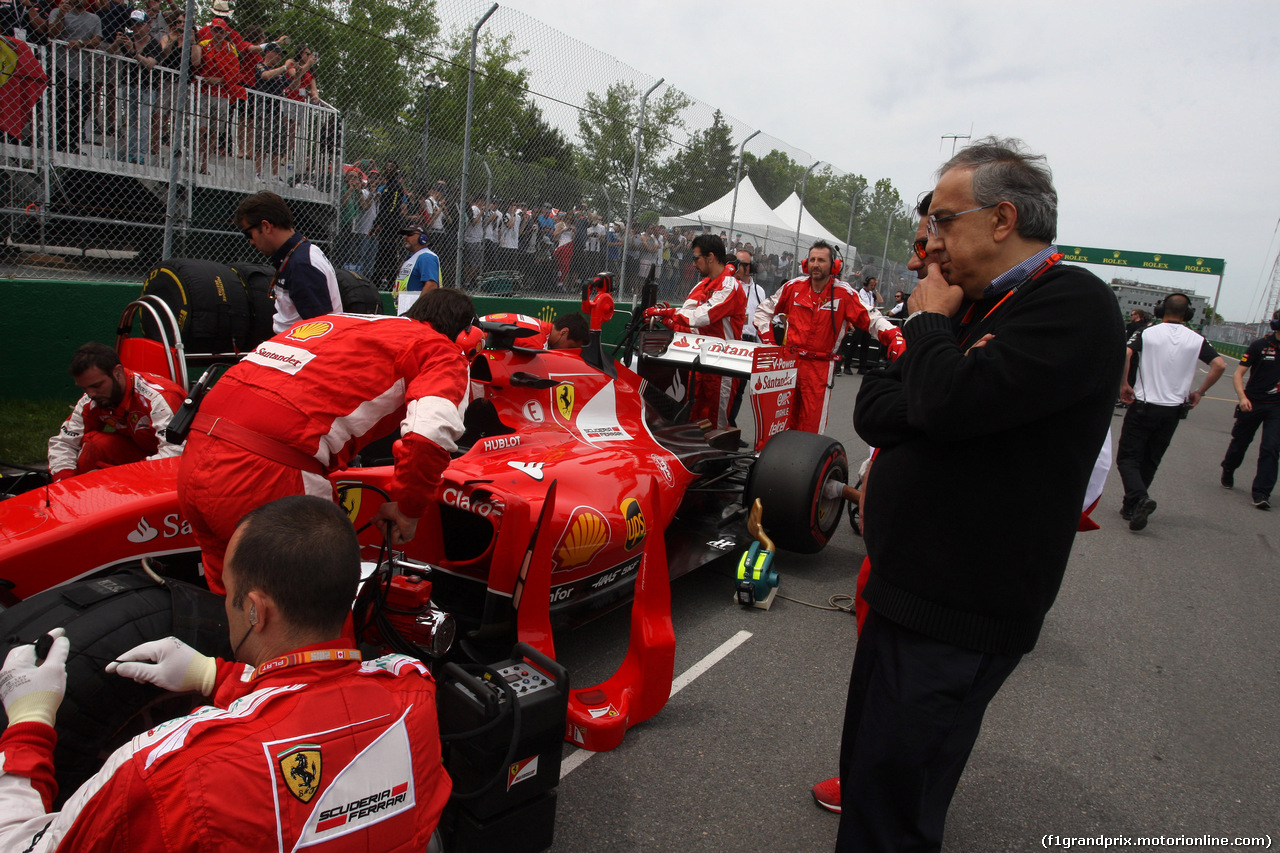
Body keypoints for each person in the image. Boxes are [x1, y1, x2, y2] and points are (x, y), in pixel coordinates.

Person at [832, 138, 1125, 852]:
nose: (930, 242)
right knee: (869, 775)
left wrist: (931, 333)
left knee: (895, 807)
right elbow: (876, 406)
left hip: (961, 614)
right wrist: (941, 364)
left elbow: (946, 407)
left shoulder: (1072, 302)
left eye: (941, 220)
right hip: (904, 590)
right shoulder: (975, 305)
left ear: (1001, 220)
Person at [0, 495, 451, 850]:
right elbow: (318, 709)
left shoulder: (163, 771)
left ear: (254, 610)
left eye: (229, 592)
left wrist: (29, 724)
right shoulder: (415, 692)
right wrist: (213, 677)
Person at [176, 288, 473, 595]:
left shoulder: (340, 320)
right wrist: (409, 510)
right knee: (317, 615)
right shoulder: (439, 350)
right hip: (270, 474)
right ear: (462, 332)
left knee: (230, 610)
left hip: (196, 454)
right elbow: (428, 436)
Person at [753, 242, 903, 435]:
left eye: (821, 260)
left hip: (820, 369)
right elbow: (762, 313)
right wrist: (771, 345)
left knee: (810, 429)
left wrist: (893, 336)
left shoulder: (844, 293)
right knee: (778, 425)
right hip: (788, 365)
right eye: (813, 260)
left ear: (834, 266)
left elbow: (872, 319)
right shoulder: (793, 287)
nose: (816, 264)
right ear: (806, 264)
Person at [1116, 292, 1225, 530]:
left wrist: (1125, 384)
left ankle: (1140, 498)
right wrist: (1200, 391)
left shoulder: (1147, 332)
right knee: (1151, 459)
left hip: (1145, 405)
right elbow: (1219, 364)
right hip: (1173, 410)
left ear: (1161, 310)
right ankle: (1131, 506)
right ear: (1188, 314)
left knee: (1128, 458)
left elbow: (1125, 352)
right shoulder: (1196, 338)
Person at [645, 234, 746, 430]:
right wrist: (665, 319)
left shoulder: (730, 285)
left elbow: (700, 317)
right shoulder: (702, 284)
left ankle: (717, 460)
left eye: (696, 258)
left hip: (722, 365)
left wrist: (666, 312)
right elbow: (688, 320)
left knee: (716, 426)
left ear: (710, 257)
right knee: (694, 422)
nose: (693, 264)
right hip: (698, 362)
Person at [47, 342, 185, 480]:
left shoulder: (159, 398)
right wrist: (63, 482)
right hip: (146, 453)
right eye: (84, 388)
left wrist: (123, 476)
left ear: (117, 372)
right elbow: (64, 443)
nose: (91, 394)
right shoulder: (92, 400)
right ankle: (80, 496)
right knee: (95, 444)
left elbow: (175, 454)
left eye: (96, 385)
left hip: (185, 462)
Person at [237, 190, 340, 334]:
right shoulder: (297, 254)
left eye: (249, 233)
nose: (251, 241)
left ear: (266, 226)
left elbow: (321, 332)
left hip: (299, 350)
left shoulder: (302, 264)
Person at [1220, 311, 1280, 508]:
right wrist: (1242, 397)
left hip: (1276, 408)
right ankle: (1228, 468)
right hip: (1252, 403)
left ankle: (1262, 493)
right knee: (1240, 442)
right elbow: (1238, 374)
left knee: (1270, 448)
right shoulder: (1259, 346)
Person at [394, 224, 440, 314]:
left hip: (417, 313)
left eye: (410, 234)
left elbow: (431, 285)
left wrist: (416, 309)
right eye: (405, 234)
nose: (405, 237)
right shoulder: (414, 258)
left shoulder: (426, 257)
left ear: (423, 238)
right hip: (406, 310)